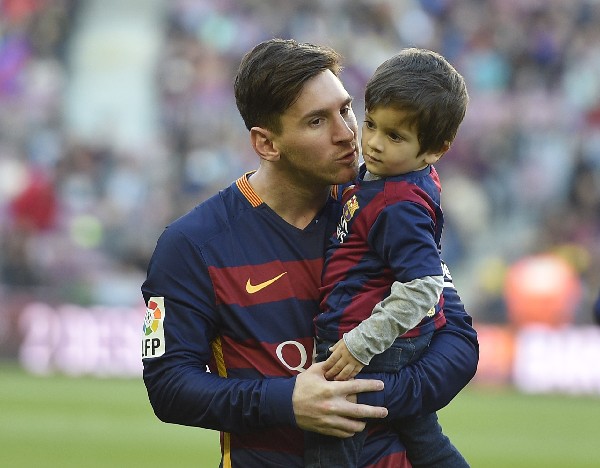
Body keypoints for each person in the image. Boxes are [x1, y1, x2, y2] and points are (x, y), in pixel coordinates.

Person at [141, 38, 478, 467]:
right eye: (318, 121)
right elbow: (169, 386)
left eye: (346, 109)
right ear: (267, 144)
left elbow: (459, 340)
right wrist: (288, 400)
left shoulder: (382, 206)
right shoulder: (192, 245)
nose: (348, 133)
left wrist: (365, 394)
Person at [305, 48, 469, 468]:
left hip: (367, 340)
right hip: (388, 340)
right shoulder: (396, 178)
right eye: (372, 124)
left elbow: (424, 287)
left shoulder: (399, 204)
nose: (373, 144)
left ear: (436, 150)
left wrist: (360, 345)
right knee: (424, 438)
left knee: (331, 435)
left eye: (395, 136)